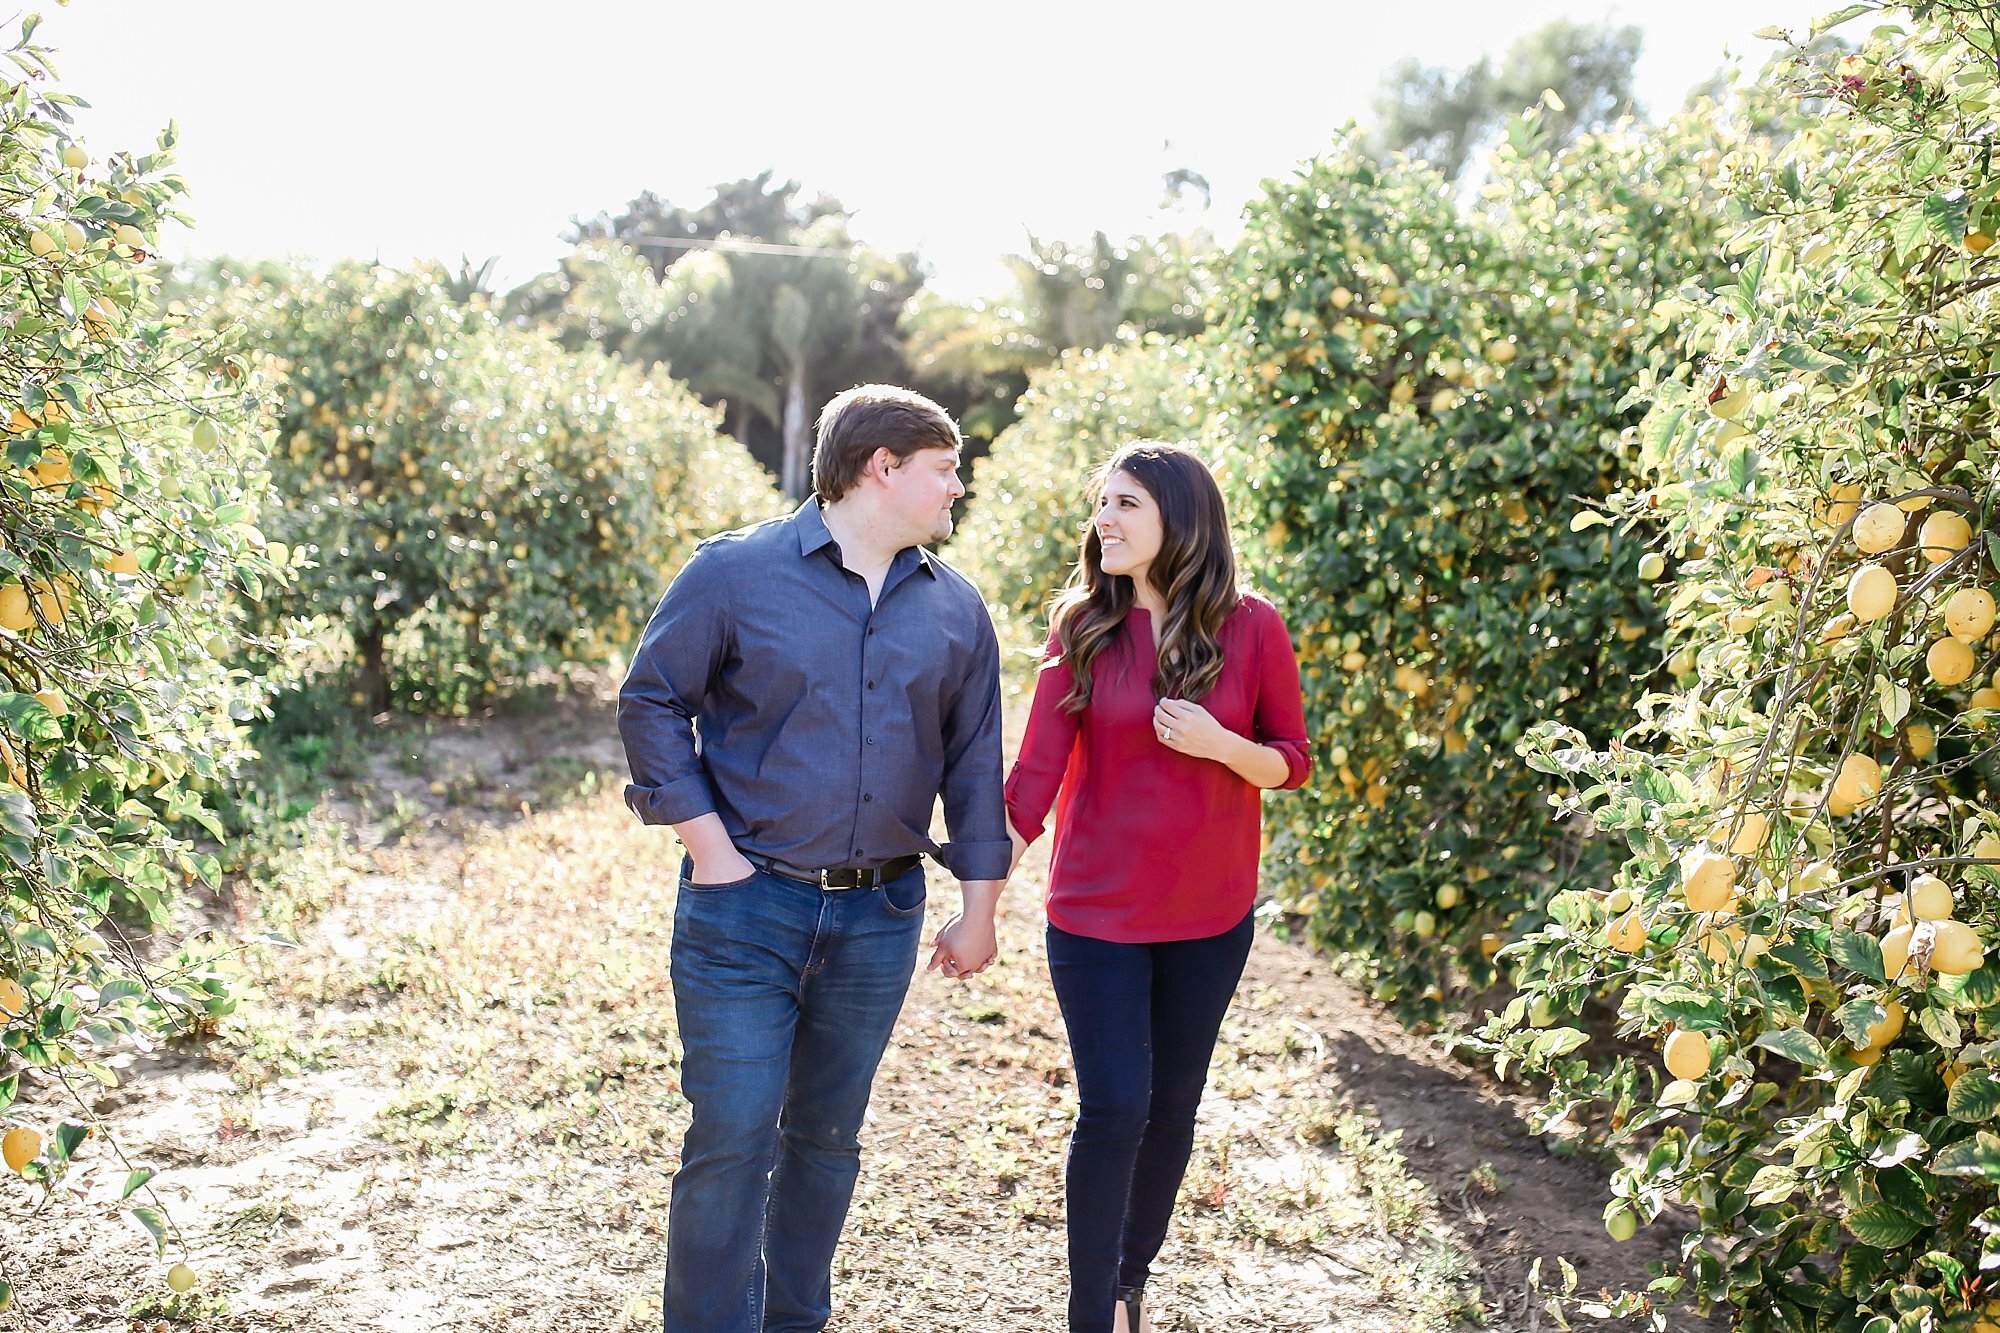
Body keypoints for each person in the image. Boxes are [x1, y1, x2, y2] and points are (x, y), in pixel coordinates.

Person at [618, 383, 1009, 1333]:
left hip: (879, 918)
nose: (957, 489)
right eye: (944, 470)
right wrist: (711, 851)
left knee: (827, 1141)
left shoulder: (956, 611)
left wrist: (982, 907)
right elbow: (651, 701)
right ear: (883, 467)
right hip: (745, 907)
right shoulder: (735, 573)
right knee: (733, 1137)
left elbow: (973, 763)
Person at [1003, 441, 1310, 1333]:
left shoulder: (1254, 626)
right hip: (1096, 912)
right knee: (1116, 1105)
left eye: (1126, 503)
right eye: (1102, 503)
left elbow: (1291, 761)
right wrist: (982, 881)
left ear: (1181, 515)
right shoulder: (1083, 629)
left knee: (1172, 1105)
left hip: (1210, 916)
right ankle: (1091, 1312)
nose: (1105, 518)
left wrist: (1223, 744)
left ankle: (1131, 1284)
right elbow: (1034, 777)